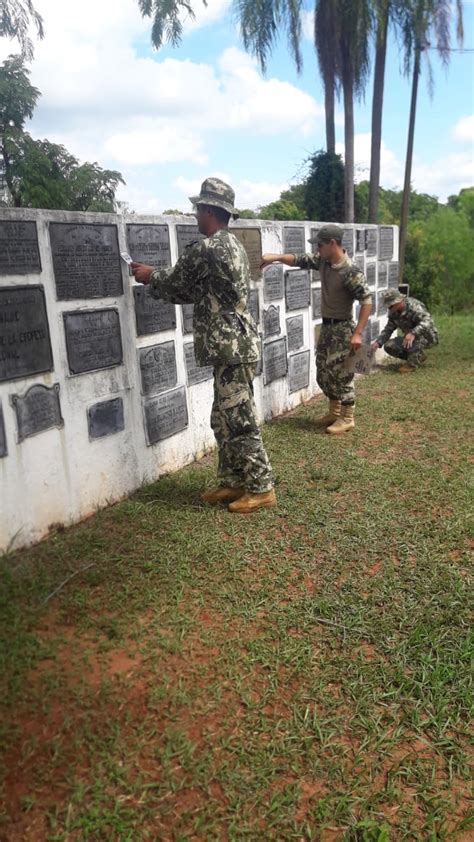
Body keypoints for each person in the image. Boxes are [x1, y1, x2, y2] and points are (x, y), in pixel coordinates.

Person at [131, 177, 276, 513]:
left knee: (239, 419)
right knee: (222, 418)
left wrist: (151, 276)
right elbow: (194, 292)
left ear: (210, 211)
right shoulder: (232, 245)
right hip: (232, 346)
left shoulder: (210, 248)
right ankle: (232, 480)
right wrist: (156, 283)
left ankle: (261, 486)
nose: (195, 215)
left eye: (198, 210)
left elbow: (176, 280)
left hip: (232, 348)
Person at [260, 224, 372, 434]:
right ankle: (334, 410)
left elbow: (367, 301)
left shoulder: (351, 272)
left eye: (320, 245)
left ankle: (347, 417)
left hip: (343, 329)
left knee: (341, 374)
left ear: (332, 244)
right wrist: (274, 257)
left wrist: (357, 333)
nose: (317, 249)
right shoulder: (324, 262)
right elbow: (299, 259)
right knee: (323, 372)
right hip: (327, 327)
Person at [371, 288, 439, 372]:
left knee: (413, 338)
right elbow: (389, 329)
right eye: (388, 306)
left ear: (399, 301)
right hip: (410, 336)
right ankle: (418, 356)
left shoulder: (414, 306)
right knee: (389, 346)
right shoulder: (394, 313)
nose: (389, 308)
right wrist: (378, 342)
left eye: (391, 306)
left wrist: (413, 333)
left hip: (427, 336)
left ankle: (412, 364)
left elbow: (428, 321)